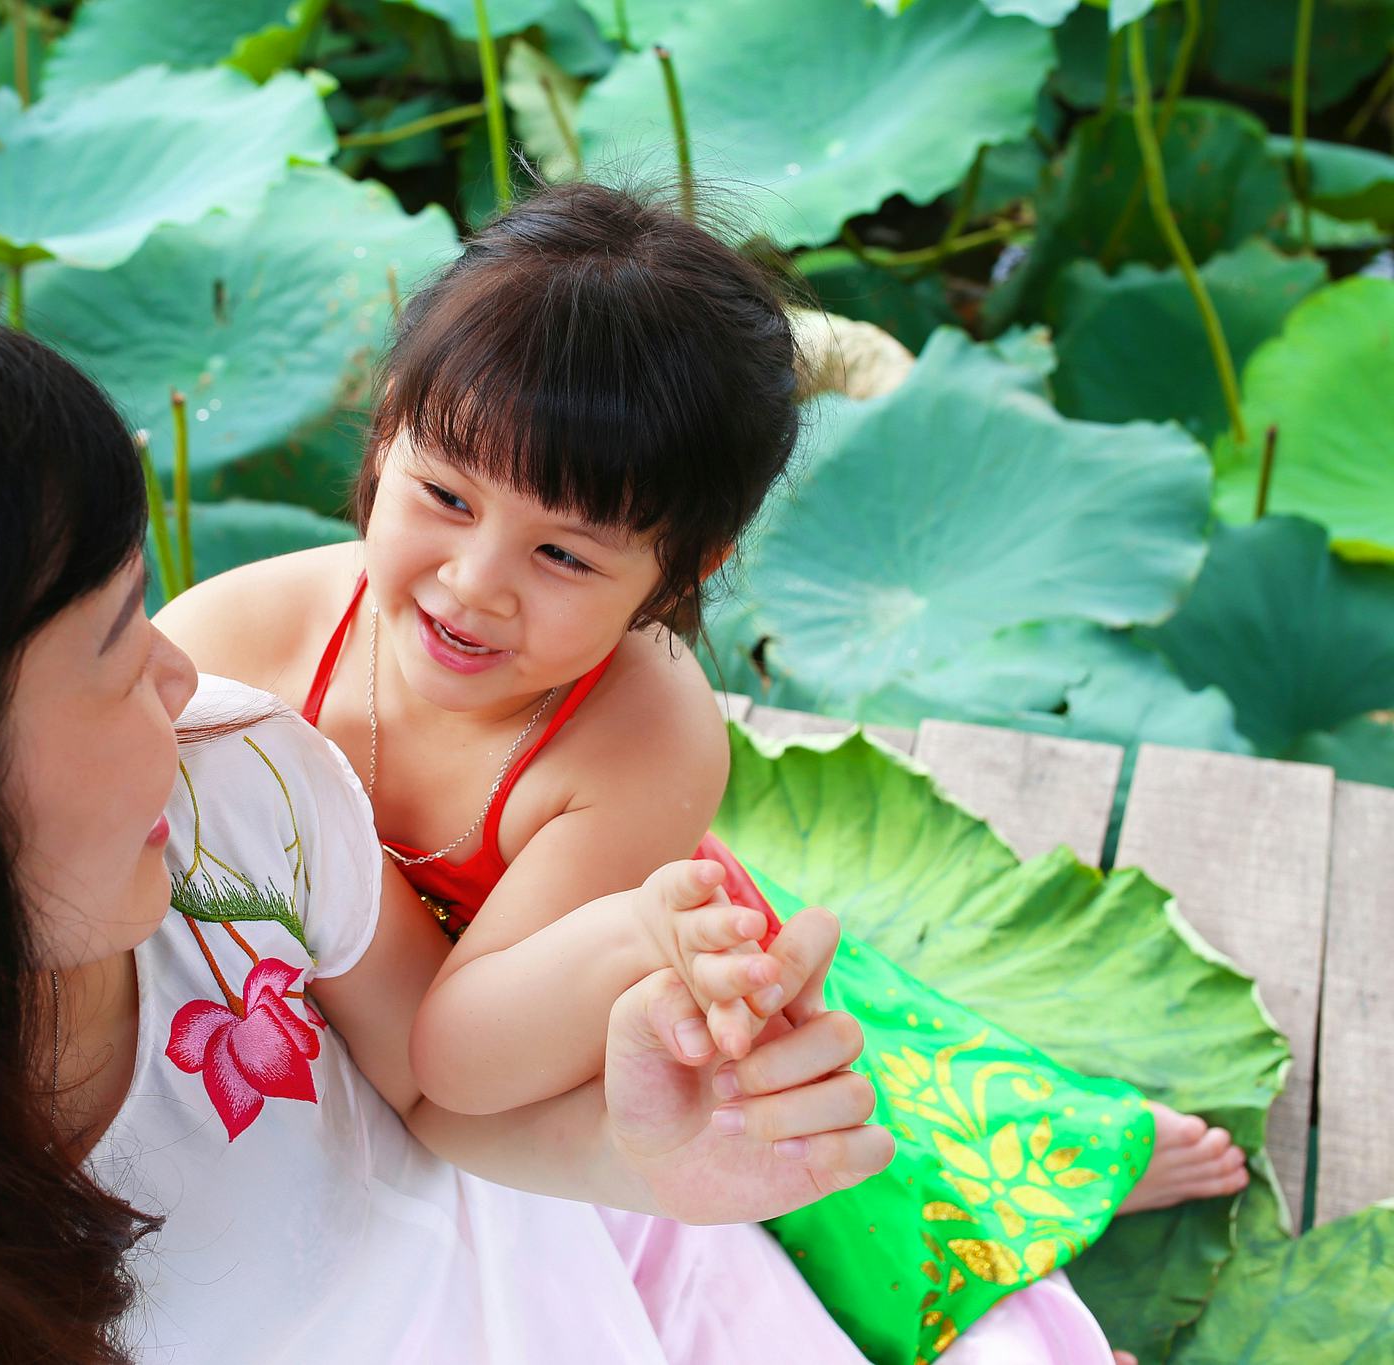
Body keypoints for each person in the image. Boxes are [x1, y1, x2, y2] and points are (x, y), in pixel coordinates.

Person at [0, 298, 911, 1365]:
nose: (187, 674)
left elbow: (428, 1090)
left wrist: (640, 1163)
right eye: (118, 647)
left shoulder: (239, 791)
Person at [155, 181, 1246, 1364]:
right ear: (383, 435)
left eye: (563, 551)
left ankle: (1078, 1167)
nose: (474, 582)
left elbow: (462, 1066)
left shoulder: (643, 733)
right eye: (443, 495)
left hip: (577, 984)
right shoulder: (240, 635)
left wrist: (633, 939)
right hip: (405, 1002)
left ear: (682, 568)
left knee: (850, 1177)